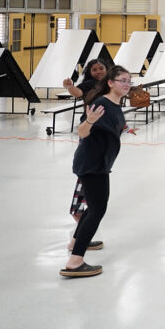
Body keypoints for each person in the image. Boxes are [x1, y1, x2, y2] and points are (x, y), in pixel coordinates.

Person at [60, 65, 134, 278]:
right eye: (122, 80)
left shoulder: (114, 104)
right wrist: (89, 121)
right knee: (97, 210)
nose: (127, 84)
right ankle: (75, 261)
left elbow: (112, 124)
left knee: (93, 207)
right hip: (92, 164)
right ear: (111, 83)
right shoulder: (101, 103)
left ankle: (75, 241)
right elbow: (82, 131)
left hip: (99, 163)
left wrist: (127, 128)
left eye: (129, 80)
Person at [63, 59, 110, 227]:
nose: (98, 72)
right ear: (89, 73)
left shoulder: (109, 84)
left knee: (94, 171)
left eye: (101, 68)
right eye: (94, 69)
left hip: (103, 132)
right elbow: (77, 92)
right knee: (89, 172)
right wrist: (69, 86)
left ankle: (83, 210)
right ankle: (78, 211)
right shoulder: (90, 84)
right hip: (90, 130)